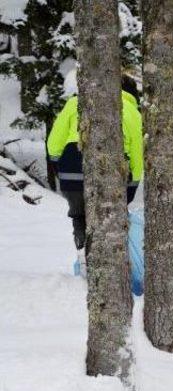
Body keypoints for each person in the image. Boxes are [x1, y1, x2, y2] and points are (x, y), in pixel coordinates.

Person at [47, 74, 143, 274]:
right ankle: (110, 269)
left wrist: (59, 166)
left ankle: (82, 250)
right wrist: (132, 185)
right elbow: (137, 154)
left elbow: (54, 143)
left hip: (71, 167)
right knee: (108, 220)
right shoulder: (132, 111)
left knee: (79, 214)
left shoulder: (75, 103)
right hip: (111, 171)